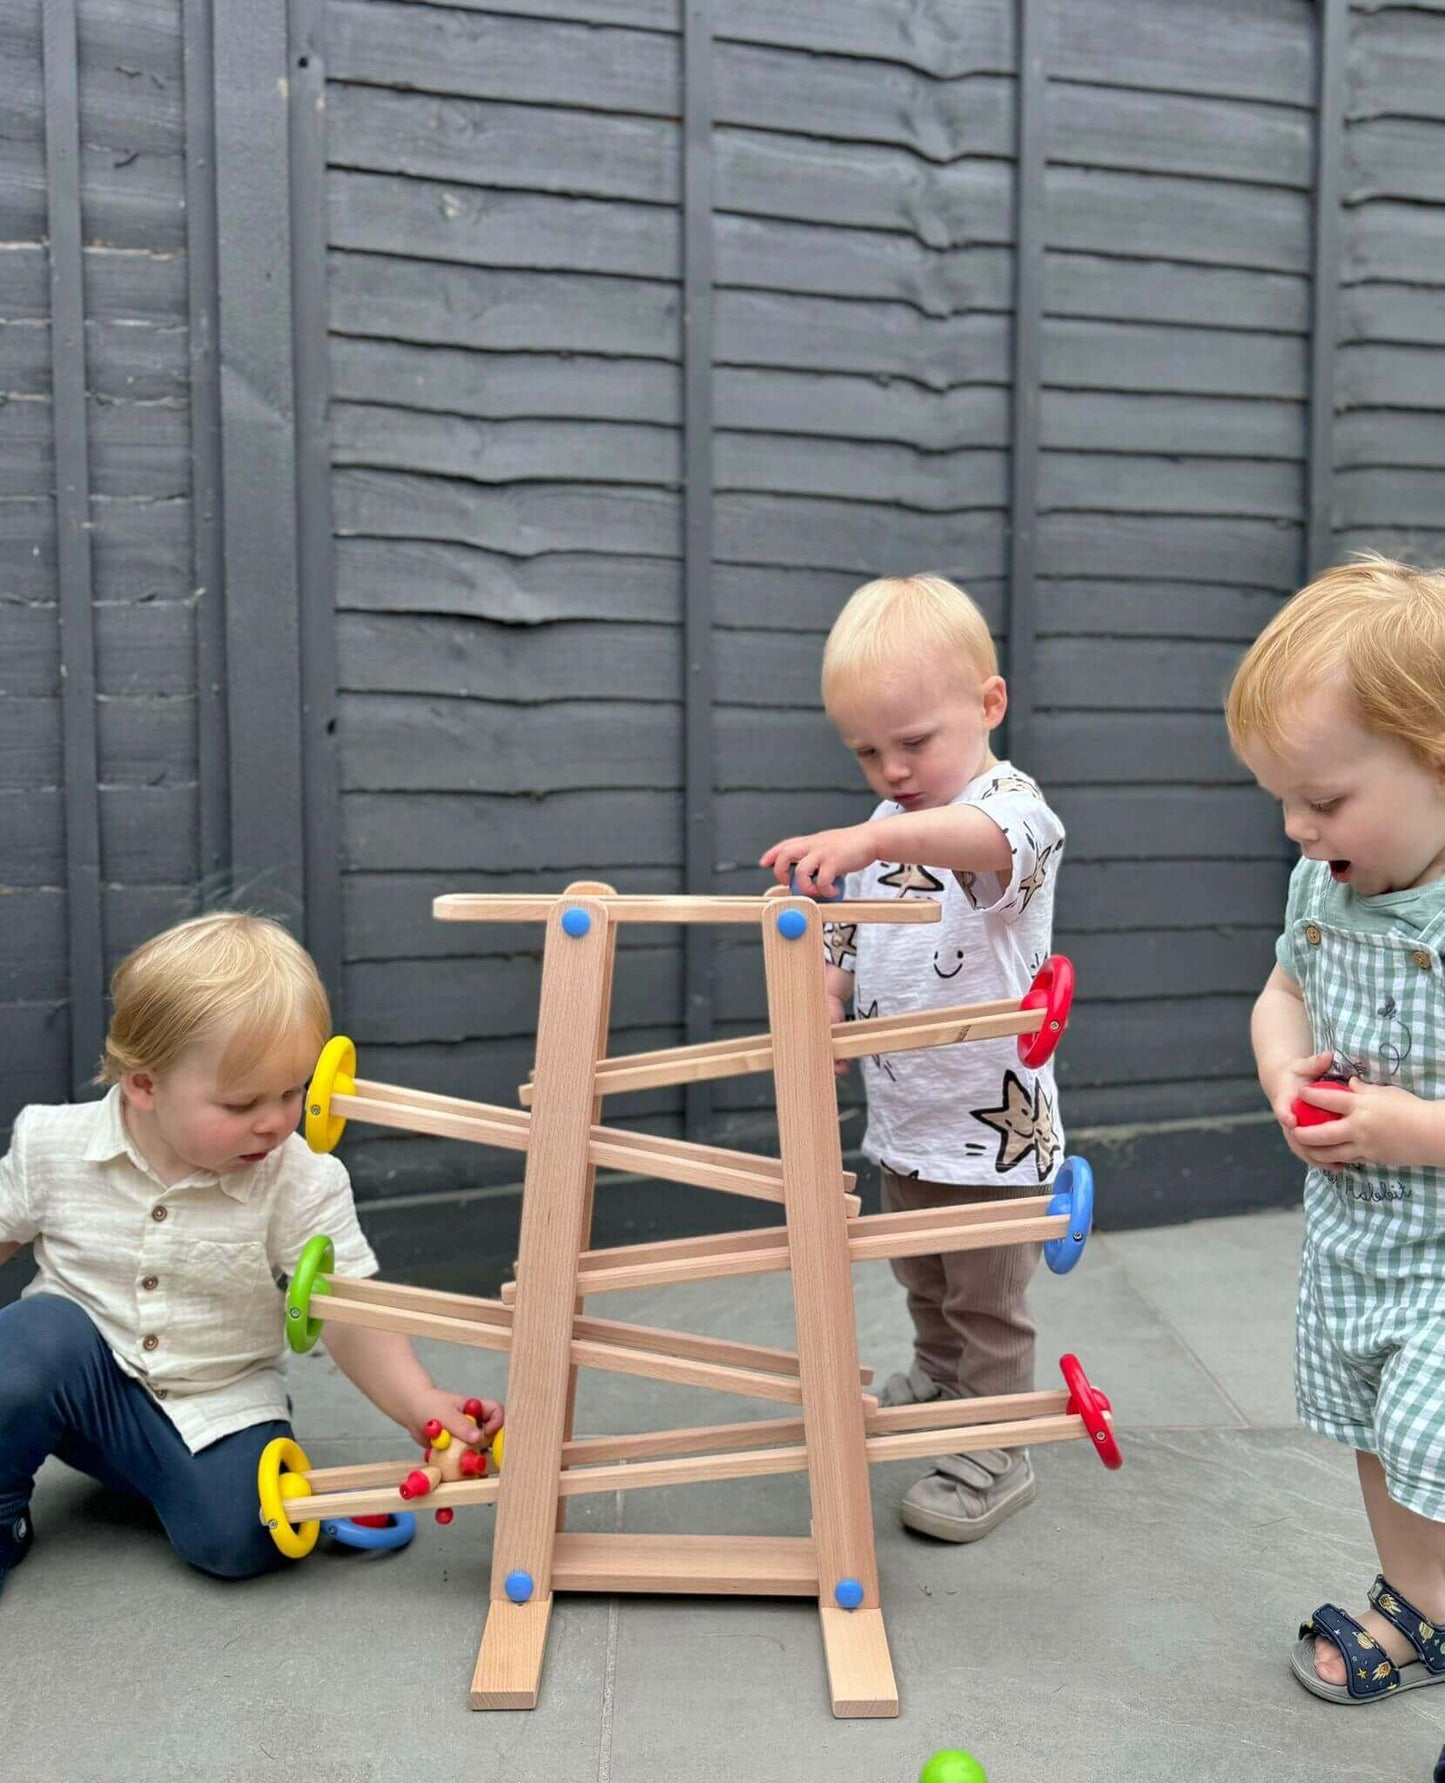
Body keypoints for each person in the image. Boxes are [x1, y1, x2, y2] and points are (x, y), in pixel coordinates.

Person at [0, 911, 503, 1591]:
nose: (274, 1120)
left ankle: (195, 1489)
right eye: (242, 1103)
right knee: (30, 1343)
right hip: (80, 1385)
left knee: (242, 1541)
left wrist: (420, 1400)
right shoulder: (50, 1144)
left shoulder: (300, 1178)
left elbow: (349, 1308)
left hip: (218, 1402)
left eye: (293, 1091)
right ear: (145, 1084)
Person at [760, 573, 1065, 1541]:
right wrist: (821, 1007)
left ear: (988, 705)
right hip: (904, 1121)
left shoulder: (1010, 810)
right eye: (865, 751)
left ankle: (996, 1438)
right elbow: (844, 951)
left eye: (914, 742)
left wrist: (857, 841)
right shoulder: (882, 830)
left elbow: (973, 842)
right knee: (921, 1277)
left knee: (987, 1298)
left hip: (990, 1134)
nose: (891, 771)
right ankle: (937, 1381)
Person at [1228, 554, 1445, 1702]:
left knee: (1435, 1427)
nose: (1295, 828)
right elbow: (1283, 992)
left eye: (1322, 799)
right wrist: (1280, 1072)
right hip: (1359, 1238)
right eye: (1280, 798)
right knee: (1378, 1425)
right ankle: (1417, 1602)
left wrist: (1414, 1127)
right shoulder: (1321, 887)